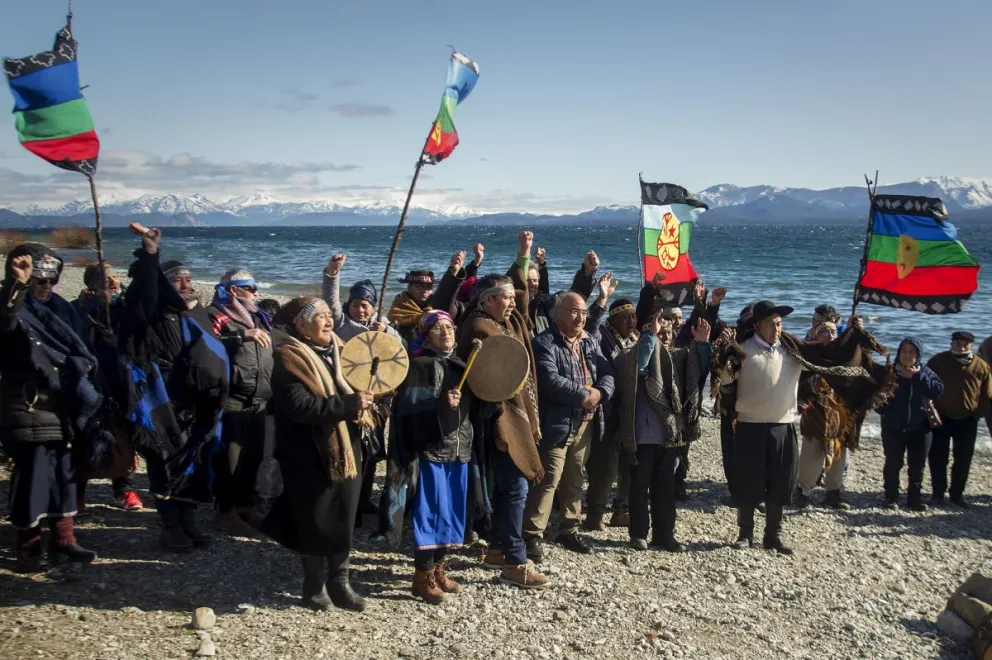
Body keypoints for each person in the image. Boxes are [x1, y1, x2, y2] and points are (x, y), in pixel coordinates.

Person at [721, 300, 880, 554]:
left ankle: (773, 535)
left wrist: (852, 333)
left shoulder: (793, 351)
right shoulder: (743, 350)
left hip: (783, 426)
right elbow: (725, 382)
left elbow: (829, 354)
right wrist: (728, 358)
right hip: (750, 425)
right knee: (748, 482)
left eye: (780, 324)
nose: (776, 328)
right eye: (771, 324)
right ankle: (745, 533)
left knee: (781, 482)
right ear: (757, 326)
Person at [119, 224, 229, 552]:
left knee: (193, 459)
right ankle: (170, 525)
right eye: (177, 280)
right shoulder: (148, 312)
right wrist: (151, 254)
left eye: (188, 279)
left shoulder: (193, 315)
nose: (186, 284)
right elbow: (143, 288)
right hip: (162, 399)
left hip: (196, 400)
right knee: (164, 460)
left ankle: (188, 517)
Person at [260, 297, 374, 612]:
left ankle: (340, 583)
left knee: (344, 514)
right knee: (314, 518)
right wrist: (351, 405)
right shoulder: (288, 358)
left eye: (329, 315)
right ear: (300, 326)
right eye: (320, 317)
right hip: (307, 452)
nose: (328, 321)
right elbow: (301, 407)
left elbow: (359, 383)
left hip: (344, 449)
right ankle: (312, 587)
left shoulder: (337, 352)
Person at [1, 248, 109, 571]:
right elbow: (4, 326)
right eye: (39, 279)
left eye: (51, 279)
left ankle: (64, 540)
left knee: (65, 470)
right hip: (28, 402)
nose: (46, 285)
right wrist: (16, 286)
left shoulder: (62, 309)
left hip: (64, 401)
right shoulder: (11, 305)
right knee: (33, 474)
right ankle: (28, 546)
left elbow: (82, 349)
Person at [457, 231, 549, 589]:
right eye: (506, 298)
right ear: (489, 299)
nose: (514, 304)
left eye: (513, 298)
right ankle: (514, 560)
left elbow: (524, 303)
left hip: (510, 416)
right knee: (514, 488)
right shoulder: (480, 325)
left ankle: (497, 546)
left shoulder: (504, 321)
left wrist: (523, 256)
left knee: (509, 486)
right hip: (497, 420)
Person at [393, 310, 490, 604]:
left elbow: (475, 411)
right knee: (430, 513)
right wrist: (439, 405)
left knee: (450, 513)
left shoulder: (462, 363)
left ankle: (439, 570)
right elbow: (407, 414)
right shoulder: (419, 366)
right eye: (438, 328)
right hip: (431, 452)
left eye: (449, 326)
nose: (446, 332)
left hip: (460, 451)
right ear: (426, 335)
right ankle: (421, 576)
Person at [523, 292, 614, 560]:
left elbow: (608, 372)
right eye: (575, 311)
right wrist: (584, 395)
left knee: (575, 477)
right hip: (557, 422)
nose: (581, 317)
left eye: (584, 313)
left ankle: (569, 529)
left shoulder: (590, 342)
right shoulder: (544, 342)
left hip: (586, 422)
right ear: (558, 312)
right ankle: (531, 534)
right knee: (549, 478)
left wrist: (601, 393)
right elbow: (548, 380)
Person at [615, 312, 710, 552]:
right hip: (642, 436)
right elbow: (641, 366)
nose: (664, 337)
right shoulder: (632, 354)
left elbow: (699, 375)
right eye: (659, 332)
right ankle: (638, 534)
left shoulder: (680, 358)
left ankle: (664, 534)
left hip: (671, 435)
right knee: (639, 487)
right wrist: (650, 336)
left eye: (668, 333)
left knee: (665, 489)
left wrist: (701, 344)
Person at [322, 253, 404, 522]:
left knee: (373, 451)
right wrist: (333, 274)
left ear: (373, 306)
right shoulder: (342, 324)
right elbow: (331, 301)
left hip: (377, 401)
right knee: (351, 449)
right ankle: (348, 504)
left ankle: (365, 498)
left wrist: (386, 333)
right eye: (356, 304)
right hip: (349, 397)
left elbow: (399, 354)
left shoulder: (384, 327)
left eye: (366, 305)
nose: (360, 310)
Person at [207, 269, 275, 535]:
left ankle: (245, 505)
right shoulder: (216, 315)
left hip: (260, 398)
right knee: (230, 460)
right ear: (233, 290)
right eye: (251, 287)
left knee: (254, 457)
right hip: (233, 397)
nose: (256, 292)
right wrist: (240, 336)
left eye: (256, 287)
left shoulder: (258, 316)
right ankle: (225, 511)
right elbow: (206, 344)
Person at [74, 262, 143, 512]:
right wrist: (93, 306)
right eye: (108, 279)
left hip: (120, 380)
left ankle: (124, 488)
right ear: (92, 283)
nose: (115, 282)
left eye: (117, 277)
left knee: (124, 436)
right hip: (90, 381)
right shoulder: (78, 308)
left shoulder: (121, 308)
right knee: (84, 437)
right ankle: (77, 492)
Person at [584, 296, 638, 530]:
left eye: (634, 317)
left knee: (628, 464)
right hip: (607, 412)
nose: (632, 321)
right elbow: (590, 328)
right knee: (604, 469)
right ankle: (594, 516)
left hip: (629, 413)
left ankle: (621, 511)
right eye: (626, 317)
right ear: (613, 318)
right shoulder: (602, 337)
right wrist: (602, 300)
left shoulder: (633, 340)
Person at [927, 331, 992, 508]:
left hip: (968, 418)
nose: (961, 347)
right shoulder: (938, 360)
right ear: (951, 343)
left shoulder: (981, 365)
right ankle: (937, 493)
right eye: (957, 343)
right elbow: (926, 384)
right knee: (938, 457)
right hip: (942, 417)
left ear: (971, 345)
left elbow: (986, 393)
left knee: (963, 458)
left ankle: (957, 495)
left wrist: (978, 412)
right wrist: (930, 409)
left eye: (965, 344)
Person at [877, 338, 944, 511]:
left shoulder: (925, 371)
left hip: (920, 428)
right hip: (894, 427)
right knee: (893, 463)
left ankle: (914, 499)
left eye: (911, 352)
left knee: (917, 465)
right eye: (904, 351)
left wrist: (917, 377)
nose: (907, 355)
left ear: (918, 354)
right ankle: (891, 497)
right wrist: (886, 412)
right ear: (899, 353)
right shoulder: (890, 372)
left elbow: (937, 391)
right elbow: (875, 397)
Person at [795, 321, 853, 510]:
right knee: (810, 457)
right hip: (815, 415)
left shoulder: (845, 357)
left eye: (833, 331)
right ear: (816, 336)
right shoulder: (810, 356)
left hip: (839, 417)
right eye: (824, 331)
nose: (829, 334)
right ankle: (803, 492)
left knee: (838, 457)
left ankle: (833, 493)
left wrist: (855, 331)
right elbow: (799, 383)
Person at [388, 248, 479, 343]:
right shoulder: (400, 306)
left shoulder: (438, 305)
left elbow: (452, 291)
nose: (424, 291)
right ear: (409, 288)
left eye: (428, 287)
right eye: (419, 286)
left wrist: (470, 265)